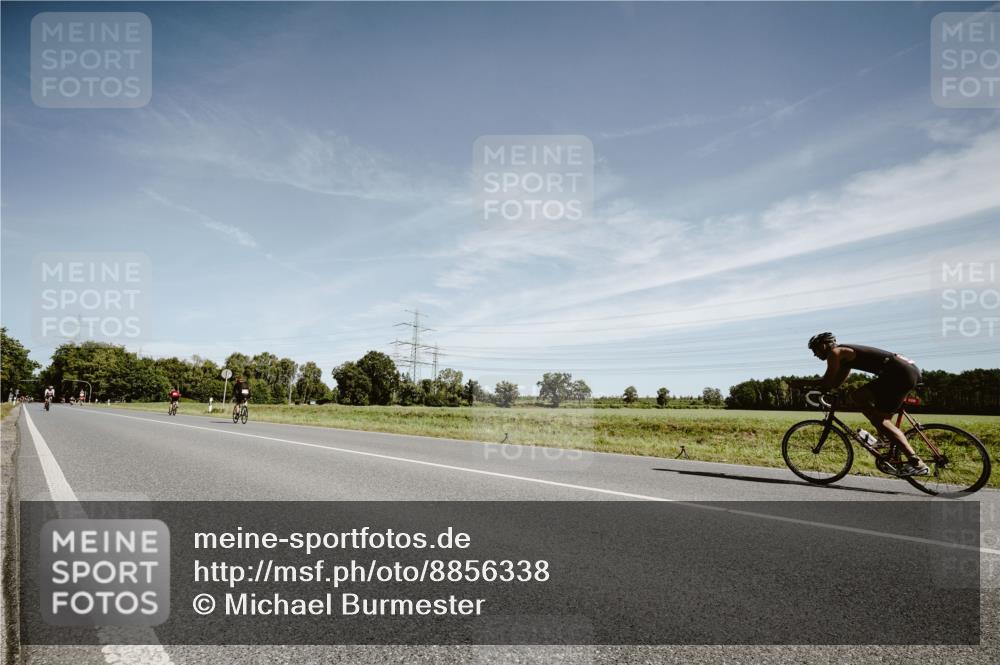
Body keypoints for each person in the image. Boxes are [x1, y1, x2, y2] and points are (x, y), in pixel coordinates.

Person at [807, 332, 928, 477]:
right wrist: (822, 389)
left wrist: (800, 384)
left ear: (824, 346)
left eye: (815, 350)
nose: (815, 355)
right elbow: (835, 383)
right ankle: (885, 441)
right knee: (859, 397)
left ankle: (917, 463)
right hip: (906, 370)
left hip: (899, 374)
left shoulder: (835, 352)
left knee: (879, 419)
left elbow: (826, 380)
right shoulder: (844, 355)